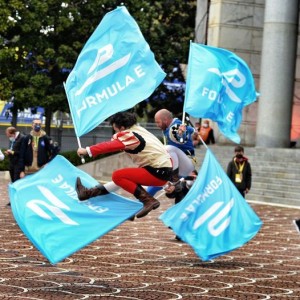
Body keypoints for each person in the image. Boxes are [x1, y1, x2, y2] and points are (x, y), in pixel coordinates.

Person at [75, 111, 173, 219]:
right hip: (163, 171)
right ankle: (88, 193)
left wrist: (87, 150)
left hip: (157, 171)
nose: (115, 133)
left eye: (115, 129)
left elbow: (109, 146)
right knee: (121, 180)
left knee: (118, 176)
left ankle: (148, 201)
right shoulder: (139, 130)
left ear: (121, 128)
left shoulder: (129, 135)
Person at [154, 109, 197, 184]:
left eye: (158, 122)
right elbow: (192, 130)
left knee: (167, 148)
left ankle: (176, 176)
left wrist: (180, 134)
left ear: (165, 120)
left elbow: (180, 137)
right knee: (158, 181)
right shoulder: (178, 125)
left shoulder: (175, 127)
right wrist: (194, 131)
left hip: (187, 161)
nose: (157, 125)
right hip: (180, 162)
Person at [4, 127, 25, 206]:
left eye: (9, 135)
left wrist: (12, 152)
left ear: (12, 133)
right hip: (12, 164)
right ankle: (13, 200)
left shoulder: (22, 138)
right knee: (13, 183)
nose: (8, 137)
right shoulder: (13, 139)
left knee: (17, 183)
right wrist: (10, 152)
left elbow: (22, 152)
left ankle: (18, 200)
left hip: (18, 165)